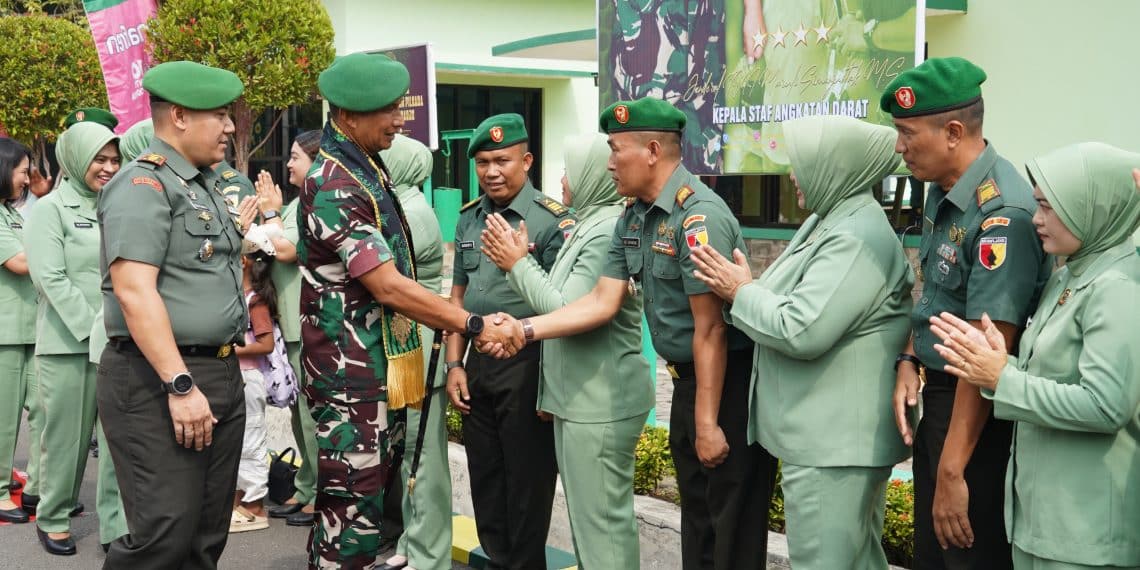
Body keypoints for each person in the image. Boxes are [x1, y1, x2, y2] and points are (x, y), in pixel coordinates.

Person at [482, 97, 779, 570]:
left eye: (617, 149)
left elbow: (711, 331)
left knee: (731, 536)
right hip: (689, 383)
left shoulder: (697, 216)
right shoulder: (634, 217)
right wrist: (523, 327)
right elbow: (601, 301)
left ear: (653, 151)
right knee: (699, 529)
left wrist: (706, 423)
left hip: (726, 388)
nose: (609, 162)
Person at [299, 52, 521, 570]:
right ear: (349, 116)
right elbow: (389, 286)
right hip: (349, 376)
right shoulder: (334, 180)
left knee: (367, 505)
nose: (400, 121)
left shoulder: (363, 163)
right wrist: (470, 322)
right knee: (348, 513)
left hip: (377, 369)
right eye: (390, 111)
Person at [689, 115, 913, 568]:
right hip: (825, 439)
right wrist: (748, 289)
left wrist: (739, 292)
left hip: (833, 445)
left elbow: (801, 329)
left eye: (802, 164)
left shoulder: (855, 235)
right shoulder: (831, 219)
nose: (791, 174)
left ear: (834, 168)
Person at [929, 142, 1139, 570]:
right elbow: (1048, 376)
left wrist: (1001, 378)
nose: (1036, 219)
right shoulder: (1070, 275)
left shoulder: (1117, 288)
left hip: (1086, 534)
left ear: (1089, 206)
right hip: (1043, 524)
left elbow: (1105, 404)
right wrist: (995, 363)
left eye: (1047, 207)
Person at [882, 57, 1052, 570]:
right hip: (942, 400)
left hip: (978, 416)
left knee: (964, 554)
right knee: (933, 556)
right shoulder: (944, 192)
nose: (899, 146)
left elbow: (985, 353)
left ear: (953, 132)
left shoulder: (1002, 214)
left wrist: (953, 472)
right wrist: (910, 359)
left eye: (908, 133)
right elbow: (939, 294)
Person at [96, 60, 251, 568]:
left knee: (205, 538)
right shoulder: (143, 186)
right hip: (160, 379)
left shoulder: (204, 185)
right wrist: (180, 385)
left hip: (220, 371)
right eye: (220, 116)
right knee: (163, 534)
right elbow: (134, 291)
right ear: (180, 116)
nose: (230, 128)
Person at [479, 132, 654, 569]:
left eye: (570, 171)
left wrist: (517, 265)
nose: (561, 181)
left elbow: (564, 308)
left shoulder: (603, 230)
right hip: (579, 396)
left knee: (603, 531)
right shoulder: (588, 225)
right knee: (590, 529)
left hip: (599, 398)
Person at [444, 112, 572, 569]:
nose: (492, 172)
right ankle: (498, 557)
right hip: (478, 362)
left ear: (527, 160)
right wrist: (454, 365)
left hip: (530, 363)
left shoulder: (553, 221)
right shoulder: (468, 219)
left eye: (502, 160)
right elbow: (457, 296)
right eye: (482, 163)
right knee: (486, 474)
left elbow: (565, 304)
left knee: (528, 479)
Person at [24, 122, 119, 555]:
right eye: (100, 159)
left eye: (115, 160)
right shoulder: (50, 209)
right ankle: (54, 516)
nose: (109, 167)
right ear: (77, 159)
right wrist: (93, 326)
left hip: (119, 342)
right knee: (67, 440)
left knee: (119, 443)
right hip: (69, 345)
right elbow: (49, 278)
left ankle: (115, 527)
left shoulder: (118, 205)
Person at [377, 134, 449, 570]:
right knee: (409, 455)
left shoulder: (409, 213)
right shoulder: (396, 203)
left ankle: (429, 552)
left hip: (418, 346)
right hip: (405, 344)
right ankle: (413, 539)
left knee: (424, 457)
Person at [85, 120, 154, 553]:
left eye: (115, 159)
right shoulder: (128, 197)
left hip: (153, 339)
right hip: (119, 338)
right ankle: (114, 530)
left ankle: (140, 526)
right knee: (116, 449)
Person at [259, 129, 321, 528]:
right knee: (299, 417)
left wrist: (269, 216)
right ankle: (306, 486)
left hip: (308, 323)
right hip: (289, 322)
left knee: (313, 417)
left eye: (297, 156)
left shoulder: (314, 205)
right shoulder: (298, 205)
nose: (290, 163)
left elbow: (286, 249)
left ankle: (318, 496)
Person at [0, 137, 40, 525]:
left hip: (32, 328)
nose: (27, 178)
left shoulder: (11, 214)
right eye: (22, 170)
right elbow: (19, 262)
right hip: (5, 332)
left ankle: (38, 486)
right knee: (4, 417)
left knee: (44, 409)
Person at [229, 241, 279, 534]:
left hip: (249, 380)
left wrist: (230, 350)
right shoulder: (240, 297)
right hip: (237, 379)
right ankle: (238, 501)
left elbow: (266, 344)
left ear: (244, 261)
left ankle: (255, 506)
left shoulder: (255, 300)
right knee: (236, 441)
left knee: (251, 440)